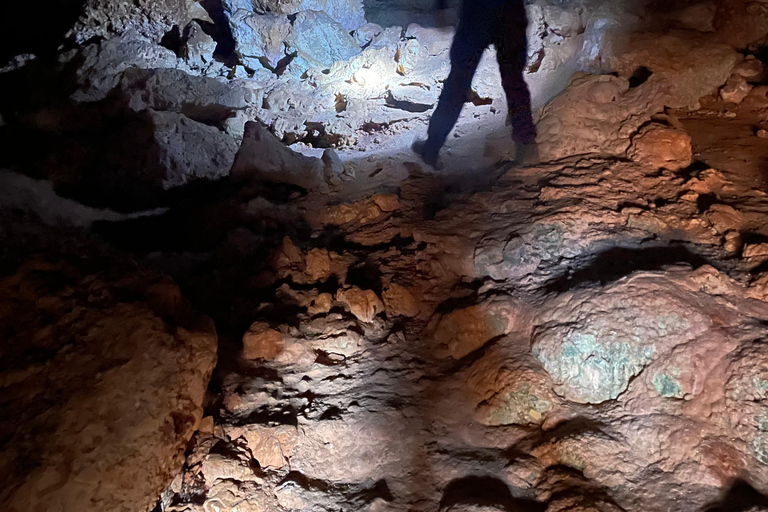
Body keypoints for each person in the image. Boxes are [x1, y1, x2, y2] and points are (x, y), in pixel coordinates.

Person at [413, 0, 539, 168]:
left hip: (477, 15)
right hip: (510, 13)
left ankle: (432, 147)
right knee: (514, 81)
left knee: (458, 82)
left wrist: (441, 6)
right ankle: (526, 145)